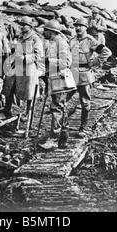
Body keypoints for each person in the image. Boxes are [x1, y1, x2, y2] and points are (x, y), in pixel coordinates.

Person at [68, 17, 112, 138]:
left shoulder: (90, 40)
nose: (77, 28)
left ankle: (83, 127)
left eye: (80, 26)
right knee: (64, 100)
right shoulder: (72, 40)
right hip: (71, 74)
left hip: (84, 75)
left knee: (85, 102)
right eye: (76, 26)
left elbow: (106, 52)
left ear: (85, 28)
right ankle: (62, 126)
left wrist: (96, 62)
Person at [3, 17, 44, 122]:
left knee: (29, 92)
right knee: (9, 86)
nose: (22, 27)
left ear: (30, 26)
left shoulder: (36, 38)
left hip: (28, 68)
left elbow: (38, 55)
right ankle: (7, 110)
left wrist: (25, 58)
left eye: (24, 25)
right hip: (16, 66)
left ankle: (28, 114)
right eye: (21, 25)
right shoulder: (20, 37)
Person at [43, 20, 74, 149]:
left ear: (52, 31)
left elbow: (65, 62)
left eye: (46, 30)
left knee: (57, 108)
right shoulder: (52, 42)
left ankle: (54, 140)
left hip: (60, 80)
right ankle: (63, 139)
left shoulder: (60, 42)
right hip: (54, 79)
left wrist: (47, 60)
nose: (43, 32)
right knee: (61, 108)